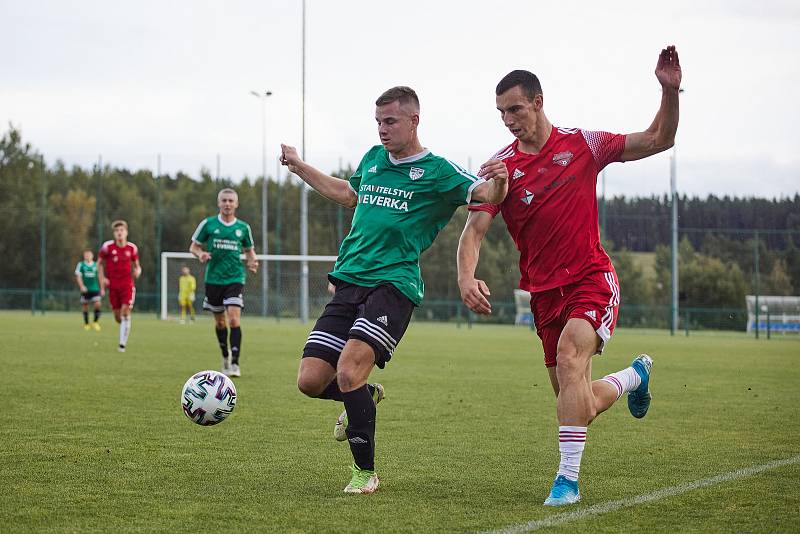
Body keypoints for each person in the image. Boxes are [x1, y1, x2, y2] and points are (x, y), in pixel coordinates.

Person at [458, 46, 681, 505]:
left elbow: (660, 138)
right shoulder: (502, 170)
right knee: (577, 401)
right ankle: (633, 377)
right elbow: (473, 231)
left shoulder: (583, 144)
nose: (508, 120)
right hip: (543, 294)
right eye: (501, 113)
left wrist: (669, 91)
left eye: (515, 109)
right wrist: (466, 277)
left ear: (539, 101)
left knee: (570, 358)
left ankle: (567, 481)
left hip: (590, 279)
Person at [280, 85, 509, 494]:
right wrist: (299, 166)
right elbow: (348, 194)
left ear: (414, 120)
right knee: (311, 381)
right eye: (378, 122)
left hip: (394, 286)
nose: (382, 130)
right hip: (349, 282)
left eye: (390, 122)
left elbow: (484, 195)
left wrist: (501, 182)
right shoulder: (373, 158)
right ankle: (363, 396)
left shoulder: (438, 170)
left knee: (348, 370)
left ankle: (365, 474)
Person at [189, 188, 258, 378]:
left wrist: (252, 261)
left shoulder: (243, 228)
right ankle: (225, 355)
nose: (227, 204)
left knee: (234, 318)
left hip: (235, 277)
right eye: (224, 200)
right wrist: (200, 253)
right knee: (220, 322)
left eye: (231, 201)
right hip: (213, 279)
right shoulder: (208, 224)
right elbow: (194, 246)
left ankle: (235, 362)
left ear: (236, 204)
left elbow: (249, 251)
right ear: (219, 203)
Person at [97, 220, 142, 352]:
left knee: (125, 312)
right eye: (117, 231)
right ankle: (124, 324)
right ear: (114, 233)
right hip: (113, 286)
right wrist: (102, 280)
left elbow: (137, 266)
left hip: (127, 285)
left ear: (126, 232)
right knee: (118, 317)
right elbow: (99, 264)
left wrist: (138, 271)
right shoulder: (107, 247)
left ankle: (122, 345)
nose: (119, 233)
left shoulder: (132, 248)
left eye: (122, 230)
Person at [74, 249, 103, 331]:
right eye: (86, 255)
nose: (87, 256)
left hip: (95, 288)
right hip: (85, 290)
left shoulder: (96, 265)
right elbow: (78, 276)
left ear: (92, 256)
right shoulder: (81, 265)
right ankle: (86, 324)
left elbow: (100, 277)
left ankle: (95, 322)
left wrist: (102, 287)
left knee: (97, 304)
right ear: (84, 256)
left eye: (89, 255)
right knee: (85, 306)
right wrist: (82, 286)